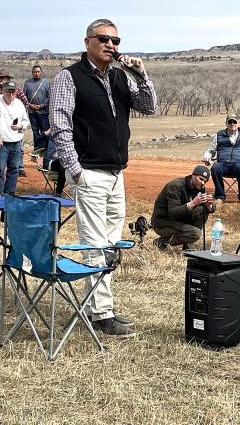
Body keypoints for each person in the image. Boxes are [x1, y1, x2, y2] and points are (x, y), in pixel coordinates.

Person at [49, 18, 157, 338]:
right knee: (95, 244)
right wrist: (76, 171)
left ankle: (102, 308)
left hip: (115, 174)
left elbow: (149, 106)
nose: (111, 45)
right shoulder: (70, 78)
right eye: (104, 39)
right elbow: (60, 126)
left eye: (116, 41)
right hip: (89, 173)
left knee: (110, 245)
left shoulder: (121, 77)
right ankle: (100, 314)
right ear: (88, 42)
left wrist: (141, 73)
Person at [151, 165, 216, 251]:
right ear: (193, 175)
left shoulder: (199, 187)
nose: (203, 183)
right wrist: (193, 203)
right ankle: (162, 241)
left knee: (203, 210)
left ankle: (188, 245)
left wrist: (209, 205)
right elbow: (173, 213)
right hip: (163, 223)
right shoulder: (175, 186)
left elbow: (211, 209)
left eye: (205, 181)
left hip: (179, 219)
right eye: (201, 179)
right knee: (195, 234)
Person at [201, 113, 240, 204]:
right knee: (215, 168)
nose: (232, 124)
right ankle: (220, 196)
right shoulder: (219, 135)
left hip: (239, 164)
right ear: (226, 123)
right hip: (223, 164)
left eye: (234, 122)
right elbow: (211, 151)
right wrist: (206, 157)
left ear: (238, 123)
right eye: (230, 122)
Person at [0, 68, 29, 177]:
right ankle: (1, 193)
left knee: (14, 166)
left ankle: (11, 190)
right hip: (0, 136)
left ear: (8, 79)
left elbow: (25, 103)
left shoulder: (17, 94)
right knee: (0, 168)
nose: (1, 79)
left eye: (3, 78)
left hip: (15, 136)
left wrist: (20, 123)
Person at [0, 80, 29, 195]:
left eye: (13, 92)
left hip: (16, 142)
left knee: (14, 169)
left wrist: (21, 126)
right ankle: (0, 196)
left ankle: (9, 195)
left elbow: (26, 121)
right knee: (0, 170)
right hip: (1, 143)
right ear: (3, 91)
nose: (11, 95)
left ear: (16, 92)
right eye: (8, 92)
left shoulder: (19, 104)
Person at [23, 65, 51, 151]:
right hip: (32, 112)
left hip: (43, 112)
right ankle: (36, 149)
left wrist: (41, 105)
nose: (37, 73)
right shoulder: (27, 83)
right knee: (35, 132)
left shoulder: (46, 83)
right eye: (35, 72)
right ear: (32, 73)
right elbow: (23, 96)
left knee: (45, 131)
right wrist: (29, 105)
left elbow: (49, 97)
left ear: (41, 72)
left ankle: (45, 149)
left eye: (38, 71)